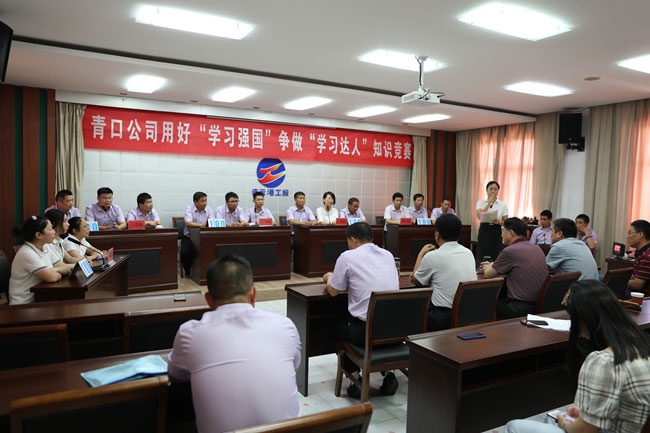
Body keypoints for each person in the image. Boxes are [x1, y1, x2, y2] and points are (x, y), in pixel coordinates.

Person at [168, 254, 301, 432]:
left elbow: (175, 375)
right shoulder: (285, 326)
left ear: (208, 299)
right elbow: (294, 367)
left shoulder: (189, 333)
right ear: (253, 294)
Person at [504, 280, 650, 433]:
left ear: (584, 320)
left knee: (515, 426)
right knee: (551, 420)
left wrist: (565, 424)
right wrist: (588, 415)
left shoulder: (603, 361)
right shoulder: (642, 345)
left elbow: (585, 431)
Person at [323, 222, 400, 398]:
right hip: (393, 330)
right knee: (374, 327)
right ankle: (389, 373)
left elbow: (333, 291)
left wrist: (329, 277)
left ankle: (355, 378)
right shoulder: (388, 255)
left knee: (334, 328)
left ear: (352, 240)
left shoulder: (348, 256)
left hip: (365, 332)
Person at [411, 214, 477, 331]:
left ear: (437, 234)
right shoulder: (468, 253)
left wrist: (421, 254)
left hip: (443, 318)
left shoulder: (432, 256)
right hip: (468, 315)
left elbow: (416, 280)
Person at [482, 217, 548, 318]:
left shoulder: (510, 251)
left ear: (511, 233)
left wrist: (487, 266)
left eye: (503, 231)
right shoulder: (536, 248)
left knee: (485, 305)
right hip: (540, 305)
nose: (501, 235)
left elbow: (488, 274)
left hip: (519, 307)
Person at [8, 216, 63, 304]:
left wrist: (53, 270)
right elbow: (52, 277)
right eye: (50, 229)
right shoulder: (27, 253)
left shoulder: (45, 247)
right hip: (24, 304)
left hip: (39, 298)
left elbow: (62, 266)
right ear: (38, 235)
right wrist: (54, 272)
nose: (54, 232)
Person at [181, 192, 213, 277]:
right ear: (195, 202)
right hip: (189, 237)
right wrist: (201, 225)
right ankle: (188, 271)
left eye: (206, 200)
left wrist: (209, 224)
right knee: (184, 253)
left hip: (204, 237)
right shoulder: (189, 209)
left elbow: (212, 222)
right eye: (202, 201)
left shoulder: (209, 210)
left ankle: (206, 271)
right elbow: (188, 223)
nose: (205, 203)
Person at [476, 181, 509, 262]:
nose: (493, 191)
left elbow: (506, 222)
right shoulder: (480, 202)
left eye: (495, 189)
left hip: (496, 230)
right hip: (484, 229)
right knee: (482, 252)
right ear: (486, 190)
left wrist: (498, 222)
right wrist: (488, 203)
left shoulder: (502, 205)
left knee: (495, 253)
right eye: (491, 189)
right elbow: (480, 216)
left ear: (498, 191)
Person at [627, 219, 650, 295]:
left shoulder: (647, 256)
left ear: (640, 235)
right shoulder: (643, 251)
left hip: (639, 295)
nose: (627, 237)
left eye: (630, 233)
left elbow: (637, 285)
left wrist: (616, 281)